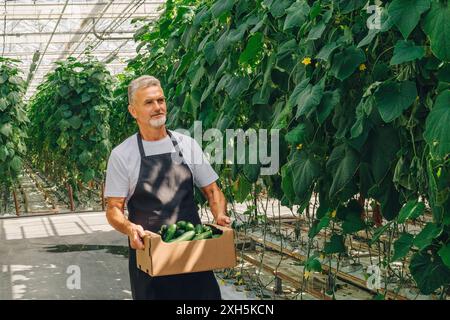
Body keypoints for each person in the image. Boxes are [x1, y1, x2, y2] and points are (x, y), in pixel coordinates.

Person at [104, 75, 231, 300]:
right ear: (133, 111)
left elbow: (212, 190)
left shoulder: (187, 145)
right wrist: (130, 228)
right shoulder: (123, 155)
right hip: (151, 257)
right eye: (149, 103)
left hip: (193, 253)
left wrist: (220, 214)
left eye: (161, 101)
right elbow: (114, 208)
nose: (158, 107)